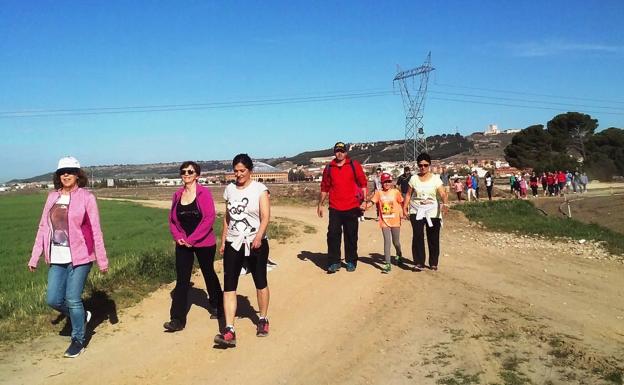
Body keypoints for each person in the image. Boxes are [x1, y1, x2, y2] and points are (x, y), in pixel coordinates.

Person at [28, 156, 108, 358]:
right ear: (58, 175)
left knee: (72, 298)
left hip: (80, 257)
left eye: (70, 171)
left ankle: (78, 340)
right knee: (53, 299)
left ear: (78, 174)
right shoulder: (52, 197)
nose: (66, 175)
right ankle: (81, 316)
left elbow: (96, 230)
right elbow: (43, 227)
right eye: (62, 172)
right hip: (57, 256)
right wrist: (35, 256)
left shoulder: (87, 198)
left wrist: (102, 259)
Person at [214, 154, 271, 348]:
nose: (238, 174)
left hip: (255, 242)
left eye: (242, 171)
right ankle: (229, 329)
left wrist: (258, 237)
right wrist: (223, 241)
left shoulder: (260, 189)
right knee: (229, 285)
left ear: (250, 171)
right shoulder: (229, 189)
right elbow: (227, 218)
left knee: (260, 280)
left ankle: (262, 319)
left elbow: (265, 216)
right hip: (234, 242)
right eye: (235, 171)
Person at [164, 161, 222, 332]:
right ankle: (177, 319)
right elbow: (172, 220)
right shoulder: (177, 195)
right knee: (182, 279)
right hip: (183, 243)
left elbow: (208, 219)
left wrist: (193, 239)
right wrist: (179, 237)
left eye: (190, 171)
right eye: (183, 171)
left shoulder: (204, 193)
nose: (186, 174)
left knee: (208, 273)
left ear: (197, 175)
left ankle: (218, 305)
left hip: (204, 242)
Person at [317, 142, 368, 274]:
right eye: (337, 151)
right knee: (333, 235)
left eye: (342, 151)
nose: (339, 153)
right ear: (334, 152)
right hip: (335, 208)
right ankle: (334, 262)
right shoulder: (329, 168)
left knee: (351, 235)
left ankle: (351, 261)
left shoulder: (353, 165)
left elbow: (363, 184)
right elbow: (324, 187)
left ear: (346, 152)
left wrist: (364, 201)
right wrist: (320, 204)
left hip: (352, 207)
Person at [403, 153, 449, 271]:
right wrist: (404, 207)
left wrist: (445, 203)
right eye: (420, 165)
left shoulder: (435, 179)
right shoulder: (413, 178)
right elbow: (408, 194)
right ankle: (419, 262)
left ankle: (433, 262)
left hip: (432, 211)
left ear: (429, 165)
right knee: (418, 235)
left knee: (433, 236)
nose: (423, 167)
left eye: (425, 165)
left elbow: (443, 193)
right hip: (416, 210)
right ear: (418, 165)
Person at [367, 173, 404, 273]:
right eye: (385, 182)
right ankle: (387, 264)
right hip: (384, 221)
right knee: (387, 242)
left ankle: (399, 254)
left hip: (395, 221)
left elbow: (401, 202)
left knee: (396, 242)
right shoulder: (379, 193)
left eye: (389, 181)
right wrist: (365, 206)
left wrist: (403, 212)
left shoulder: (395, 192)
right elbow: (372, 202)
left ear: (391, 182)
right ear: (382, 183)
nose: (387, 184)